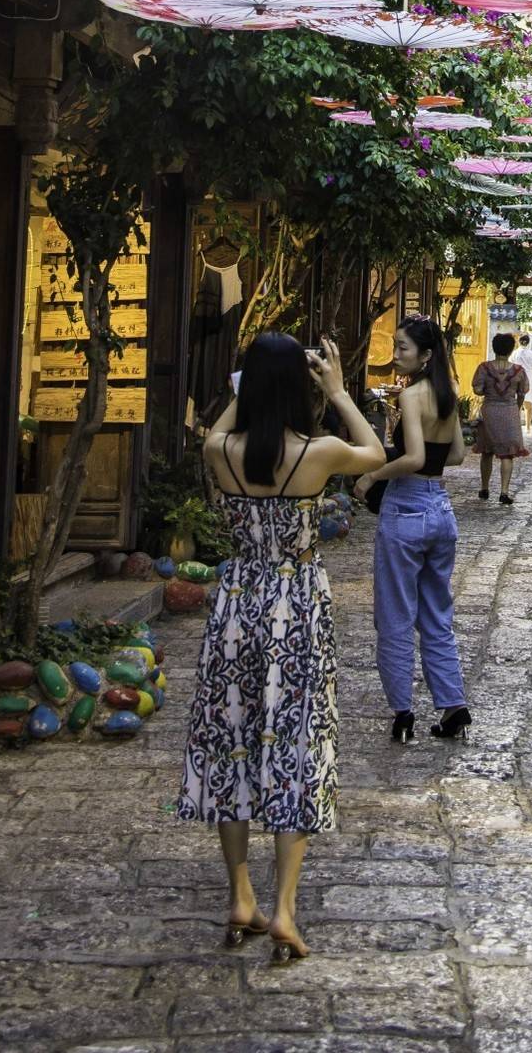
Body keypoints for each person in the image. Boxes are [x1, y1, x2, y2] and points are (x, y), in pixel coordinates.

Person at [179, 332, 384, 963]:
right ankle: (286, 910)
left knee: (232, 742)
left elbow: (218, 428)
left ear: (248, 387)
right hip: (295, 604)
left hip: (237, 603)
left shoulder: (221, 452)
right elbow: (375, 451)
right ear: (300, 388)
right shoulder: (318, 454)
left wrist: (246, 390)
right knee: (296, 743)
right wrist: (340, 390)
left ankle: (241, 894)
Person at [358, 315, 471, 744]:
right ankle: (453, 705)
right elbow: (457, 454)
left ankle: (402, 712)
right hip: (441, 509)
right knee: (436, 615)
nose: (396, 354)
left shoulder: (411, 398)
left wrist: (372, 477)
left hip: (406, 508)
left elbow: (413, 457)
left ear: (425, 355)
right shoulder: (448, 395)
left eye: (403, 348)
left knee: (395, 615)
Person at [471, 332, 530, 504]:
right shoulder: (519, 371)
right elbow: (522, 393)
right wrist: (516, 407)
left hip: (489, 410)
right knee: (508, 454)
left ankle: (484, 488)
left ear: (493, 347)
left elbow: (478, 390)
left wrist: (490, 390)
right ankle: (504, 492)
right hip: (509, 411)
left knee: (487, 451)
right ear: (511, 350)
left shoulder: (484, 368)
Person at [513, 332, 532, 434]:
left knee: (517, 405)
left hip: (517, 380)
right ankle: (528, 427)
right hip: (529, 379)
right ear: (528, 343)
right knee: (528, 406)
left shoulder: (514, 353)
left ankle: (517, 426)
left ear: (519, 342)